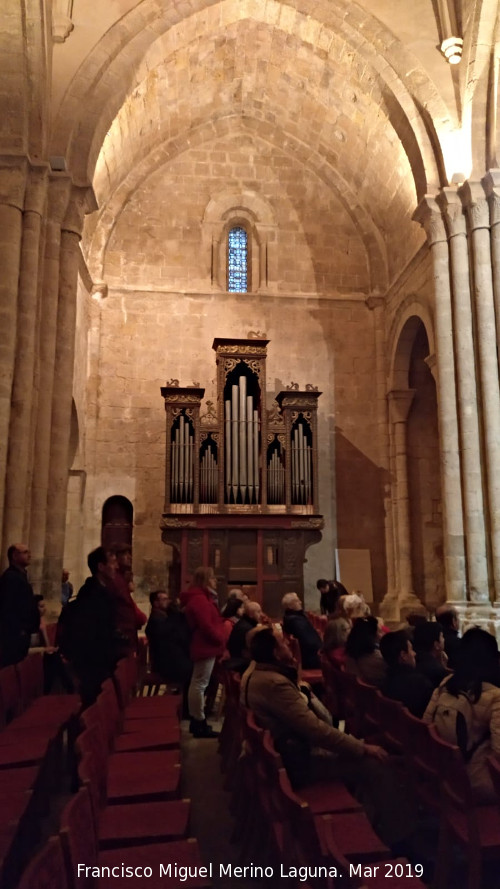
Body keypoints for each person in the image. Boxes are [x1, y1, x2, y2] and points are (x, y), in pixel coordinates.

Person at [423, 627, 500, 803]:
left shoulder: (446, 684)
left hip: (446, 773)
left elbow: (426, 725)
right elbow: (499, 752)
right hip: (479, 782)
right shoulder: (495, 697)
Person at [58, 547, 122, 705]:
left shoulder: (101, 591)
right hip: (93, 661)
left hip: (100, 659)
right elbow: (88, 632)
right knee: (93, 703)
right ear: (101, 567)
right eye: (113, 563)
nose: (117, 567)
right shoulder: (92, 595)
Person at [180, 566, 225, 738]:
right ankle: (198, 721)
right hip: (205, 645)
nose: (215, 581)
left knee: (199, 683)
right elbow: (207, 626)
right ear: (205, 581)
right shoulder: (199, 600)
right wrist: (220, 638)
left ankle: (196, 720)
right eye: (212, 578)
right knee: (199, 684)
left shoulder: (201, 598)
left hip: (205, 645)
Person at [0, 544, 40, 666]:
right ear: (14, 556)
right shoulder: (11, 577)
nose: (30, 555)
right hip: (15, 635)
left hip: (22, 633)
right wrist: (20, 629)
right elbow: (8, 607)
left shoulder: (20, 576)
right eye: (25, 552)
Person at [380, 630, 434, 718]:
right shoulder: (420, 684)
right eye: (411, 649)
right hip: (415, 730)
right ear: (403, 655)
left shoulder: (385, 680)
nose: (414, 653)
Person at [145, 590, 192, 687]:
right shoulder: (156, 621)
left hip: (168, 661)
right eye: (164, 599)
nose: (168, 601)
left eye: (168, 599)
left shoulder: (163, 618)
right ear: (156, 603)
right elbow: (171, 640)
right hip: (165, 665)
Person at [106, 547, 146, 652]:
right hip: (121, 637)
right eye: (125, 554)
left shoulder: (121, 580)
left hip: (126, 634)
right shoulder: (115, 581)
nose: (130, 557)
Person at [31, 595, 74, 693]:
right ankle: (68, 687)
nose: (44, 609)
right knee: (54, 658)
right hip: (34, 655)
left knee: (54, 657)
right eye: (41, 606)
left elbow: (47, 643)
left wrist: (49, 648)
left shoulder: (41, 620)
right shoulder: (31, 623)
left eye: (44, 606)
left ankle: (51, 689)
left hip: (42, 654)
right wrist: (46, 649)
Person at [281, 592, 322, 669]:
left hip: (307, 657)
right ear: (290, 606)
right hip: (311, 659)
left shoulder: (291, 617)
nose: (300, 602)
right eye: (297, 601)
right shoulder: (296, 621)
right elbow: (310, 642)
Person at [344, 615, 386, 686]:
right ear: (371, 636)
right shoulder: (378, 659)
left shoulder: (351, 653)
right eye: (379, 631)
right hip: (371, 694)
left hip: (358, 693)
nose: (382, 634)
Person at [412, 621, 448, 688]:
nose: (444, 639)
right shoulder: (437, 671)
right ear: (436, 645)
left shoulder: (413, 661)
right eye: (442, 636)